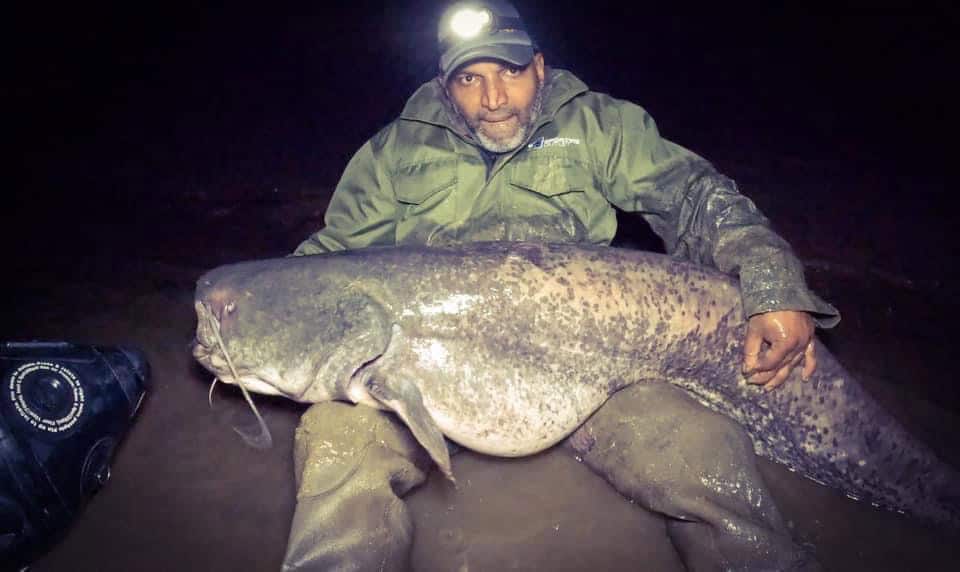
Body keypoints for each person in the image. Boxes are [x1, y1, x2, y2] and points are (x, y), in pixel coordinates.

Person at [283, 1, 839, 570]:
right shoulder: (394, 151)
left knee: (700, 456)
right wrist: (266, 309)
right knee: (337, 443)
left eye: (511, 72)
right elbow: (334, 257)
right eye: (470, 78)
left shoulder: (597, 125)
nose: (493, 98)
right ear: (444, 86)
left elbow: (694, 195)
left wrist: (772, 283)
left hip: (593, 368)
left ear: (540, 68)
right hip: (423, 369)